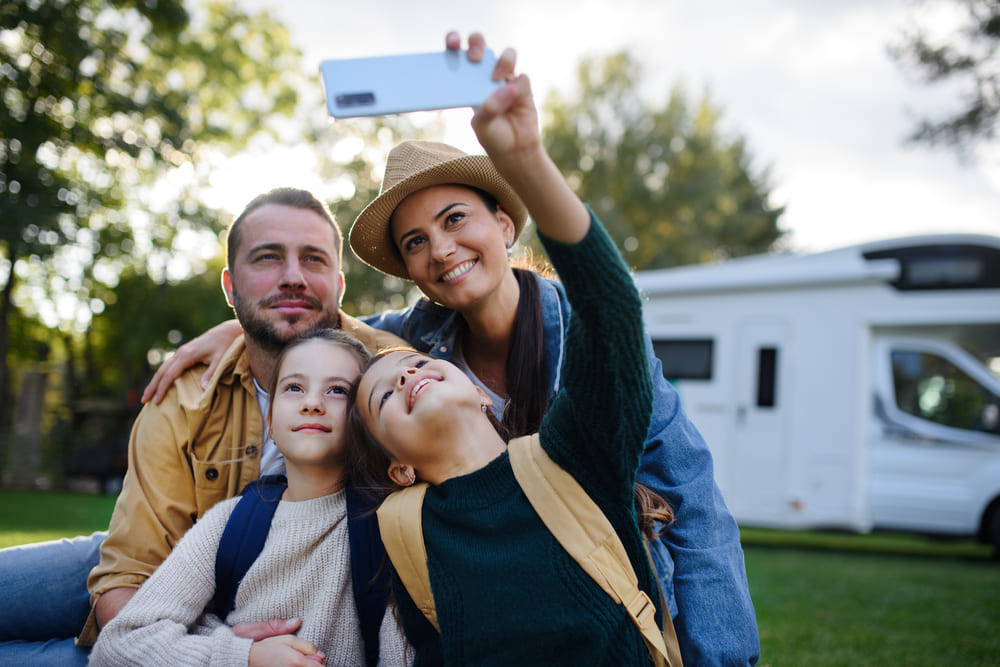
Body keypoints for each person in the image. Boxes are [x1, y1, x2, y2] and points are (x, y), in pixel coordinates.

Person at [150, 34, 760, 665]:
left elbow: (694, 509)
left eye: (454, 219)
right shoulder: (414, 356)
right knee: (87, 588)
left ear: (503, 223)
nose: (439, 249)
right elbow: (335, 334)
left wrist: (718, 657)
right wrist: (245, 327)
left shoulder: (581, 385)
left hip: (613, 582)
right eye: (415, 241)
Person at [0, 187, 405, 665]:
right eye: (268, 258)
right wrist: (227, 644)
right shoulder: (183, 394)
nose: (293, 277)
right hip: (166, 570)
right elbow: (127, 581)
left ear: (339, 285)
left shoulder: (390, 373)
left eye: (313, 259)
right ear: (230, 288)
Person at [346, 60, 664, 664]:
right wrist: (247, 321)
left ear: (474, 390)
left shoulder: (573, 454)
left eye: (454, 219)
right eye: (383, 394)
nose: (407, 371)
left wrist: (527, 161)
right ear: (398, 468)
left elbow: (613, 306)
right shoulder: (410, 536)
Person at [90, 329, 411, 666]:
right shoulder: (231, 522)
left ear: (365, 420)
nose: (313, 403)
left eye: (337, 390)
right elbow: (118, 644)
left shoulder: (388, 526)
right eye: (294, 388)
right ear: (270, 421)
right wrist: (242, 657)